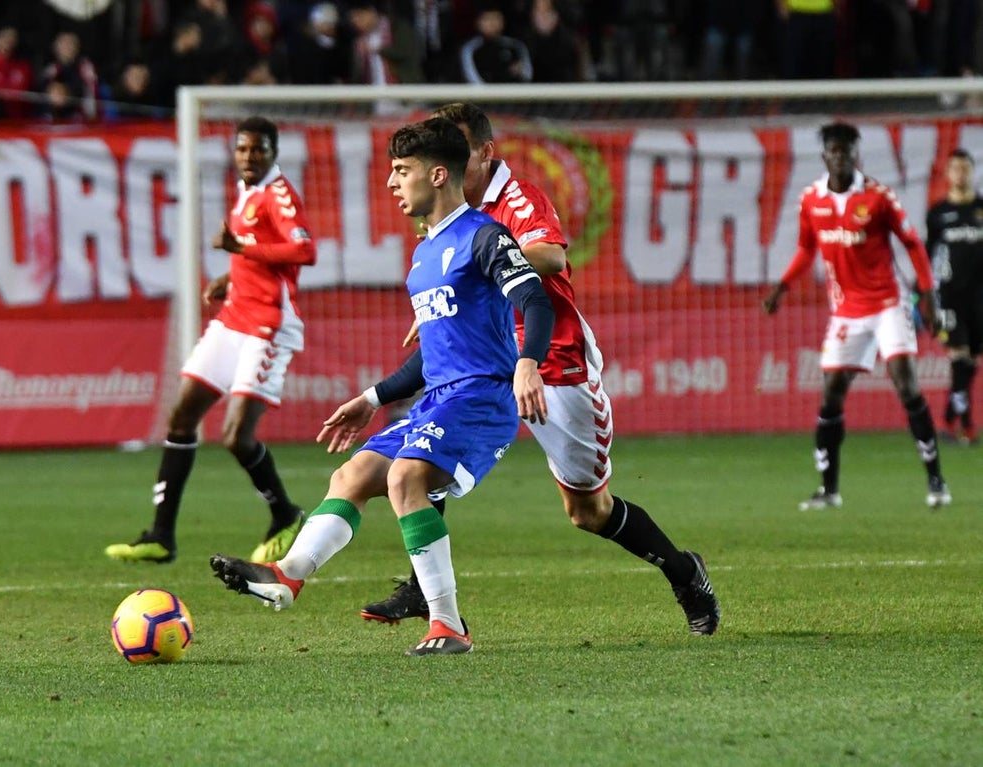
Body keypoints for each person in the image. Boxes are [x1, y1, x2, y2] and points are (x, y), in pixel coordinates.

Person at [359, 102, 721, 636]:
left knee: (587, 512)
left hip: (554, 365)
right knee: (422, 454)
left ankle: (683, 570)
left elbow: (550, 255)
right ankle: (425, 591)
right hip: (487, 369)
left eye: (456, 145)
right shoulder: (446, 221)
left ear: (482, 152)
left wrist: (484, 273)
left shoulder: (517, 198)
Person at [209, 116, 555, 656]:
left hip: (482, 398)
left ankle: (448, 625)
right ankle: (288, 575)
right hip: (439, 398)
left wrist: (528, 363)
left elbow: (535, 298)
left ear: (438, 175)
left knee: (405, 479)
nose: (392, 183)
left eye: (402, 171)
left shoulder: (484, 236)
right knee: (351, 474)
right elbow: (432, 356)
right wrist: (371, 399)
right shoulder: (421, 258)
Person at [106, 116, 316, 565]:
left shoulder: (279, 195)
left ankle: (285, 514)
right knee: (181, 416)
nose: (248, 157)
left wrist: (241, 252)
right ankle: (161, 535)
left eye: (257, 149)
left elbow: (304, 250)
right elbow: (260, 251)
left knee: (237, 437)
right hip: (233, 316)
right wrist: (231, 276)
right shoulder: (247, 191)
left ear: (274, 151)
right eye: (241, 149)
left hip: (267, 326)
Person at [763, 121, 951, 510]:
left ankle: (936, 480)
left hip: (888, 303)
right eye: (834, 151)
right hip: (847, 310)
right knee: (831, 392)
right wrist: (782, 286)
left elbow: (913, 244)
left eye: (847, 152)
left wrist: (927, 294)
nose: (840, 157)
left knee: (905, 384)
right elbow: (805, 249)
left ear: (855, 156)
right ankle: (828, 490)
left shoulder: (878, 197)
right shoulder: (811, 200)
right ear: (824, 156)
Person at [925, 148, 983, 446]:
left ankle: (949, 419)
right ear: (947, 175)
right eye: (955, 168)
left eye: (965, 168)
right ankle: (966, 425)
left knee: (970, 362)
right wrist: (922, 296)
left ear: (972, 172)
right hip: (949, 296)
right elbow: (926, 255)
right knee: (959, 358)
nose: (960, 173)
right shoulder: (938, 214)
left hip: (979, 298)